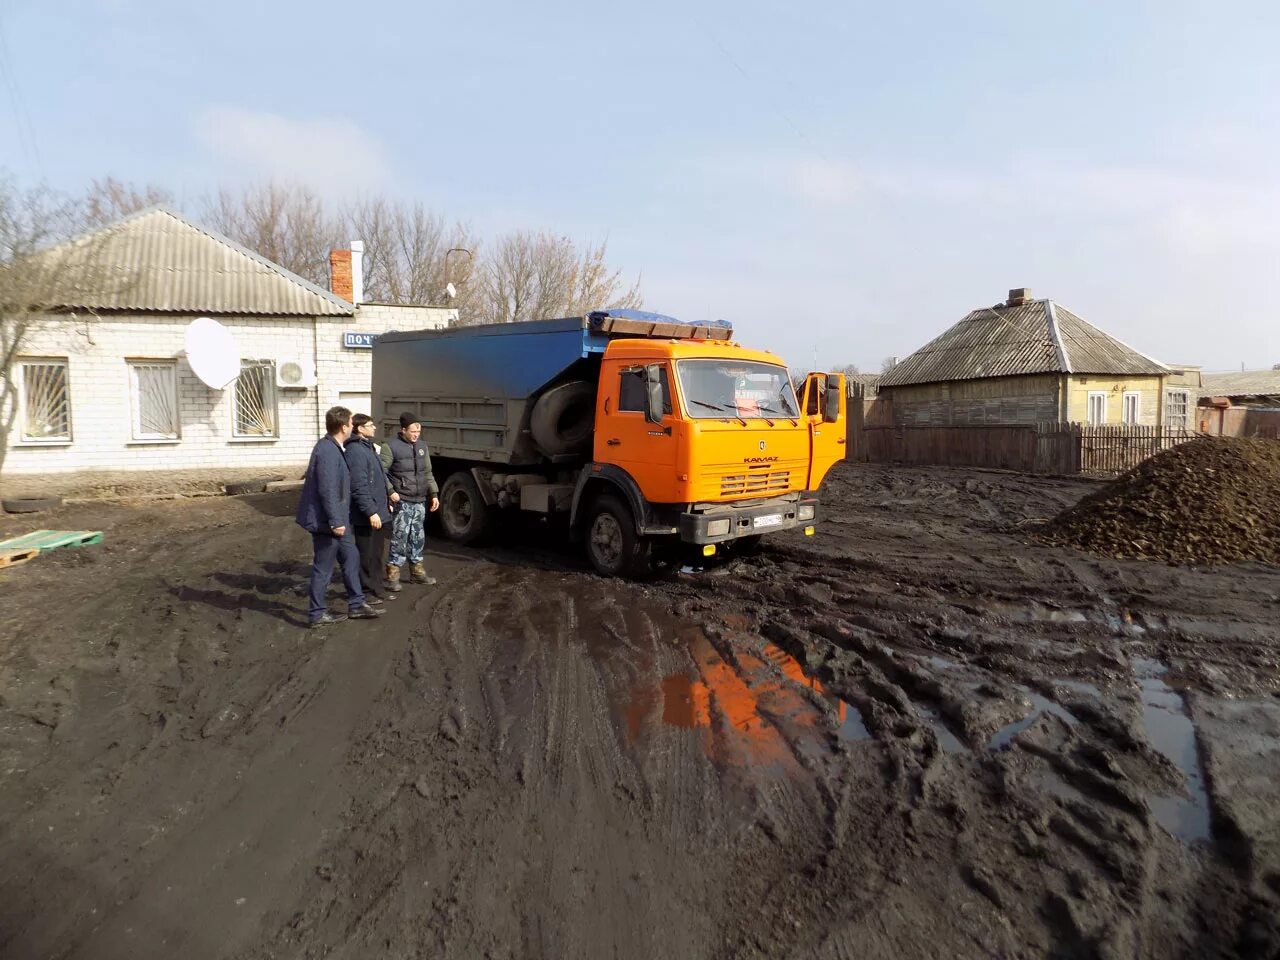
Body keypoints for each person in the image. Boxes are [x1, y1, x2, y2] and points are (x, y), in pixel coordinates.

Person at [295, 406, 384, 628]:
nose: (353, 426)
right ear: (343, 426)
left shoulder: (335, 447)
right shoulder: (326, 450)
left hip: (340, 521)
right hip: (328, 523)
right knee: (323, 567)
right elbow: (327, 490)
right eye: (351, 423)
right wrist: (335, 521)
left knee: (351, 557)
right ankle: (316, 614)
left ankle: (356, 604)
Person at [381, 411, 440, 588]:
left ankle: (417, 572)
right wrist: (391, 491)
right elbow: (380, 471)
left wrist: (434, 494)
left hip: (420, 500)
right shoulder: (390, 446)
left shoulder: (422, 446)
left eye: (418, 432)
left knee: (417, 536)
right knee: (400, 536)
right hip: (402, 500)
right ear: (403, 430)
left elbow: (427, 472)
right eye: (413, 431)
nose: (416, 435)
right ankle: (393, 575)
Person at [345, 413, 397, 603]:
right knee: (365, 555)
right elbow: (359, 486)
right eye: (370, 425)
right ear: (359, 429)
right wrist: (371, 512)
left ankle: (378, 588)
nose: (374, 427)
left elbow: (379, 479)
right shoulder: (356, 452)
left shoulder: (369, 448)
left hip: (379, 511)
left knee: (376, 555)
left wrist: (387, 502)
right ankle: (366, 591)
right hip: (366, 515)